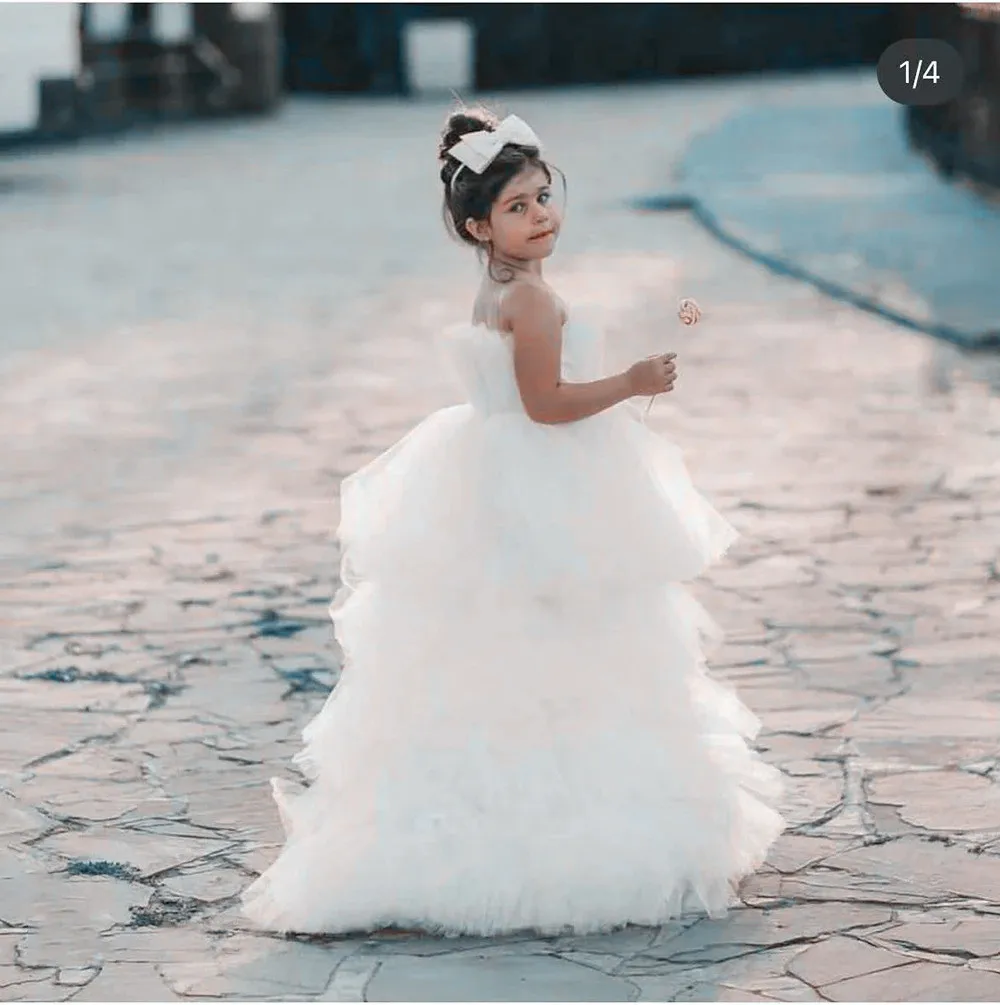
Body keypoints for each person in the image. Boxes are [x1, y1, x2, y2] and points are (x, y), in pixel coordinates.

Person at [242, 107, 784, 937]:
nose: (541, 217)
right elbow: (545, 404)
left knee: (502, 654)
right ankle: (555, 834)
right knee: (565, 647)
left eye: (542, 198)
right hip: (538, 476)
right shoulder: (527, 300)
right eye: (519, 207)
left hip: (492, 474)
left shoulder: (501, 283)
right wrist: (631, 378)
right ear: (476, 225)